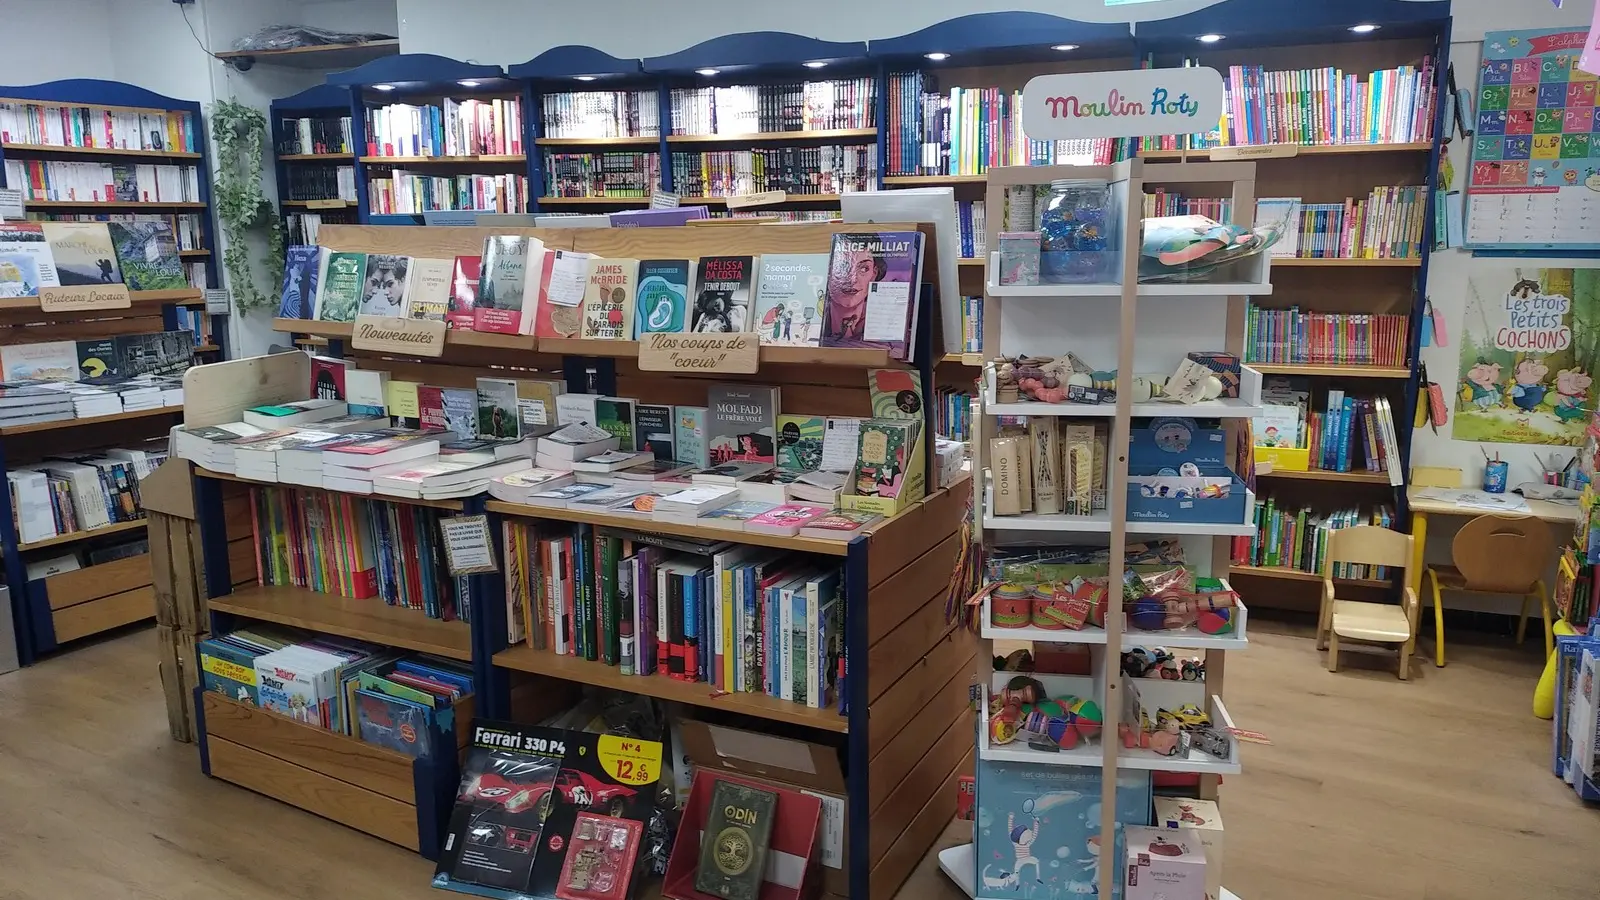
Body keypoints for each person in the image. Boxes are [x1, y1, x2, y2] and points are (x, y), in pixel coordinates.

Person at [823, 244, 887, 343]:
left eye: (864, 269)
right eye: (842, 267)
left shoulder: (883, 325)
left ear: (874, 274)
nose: (852, 280)